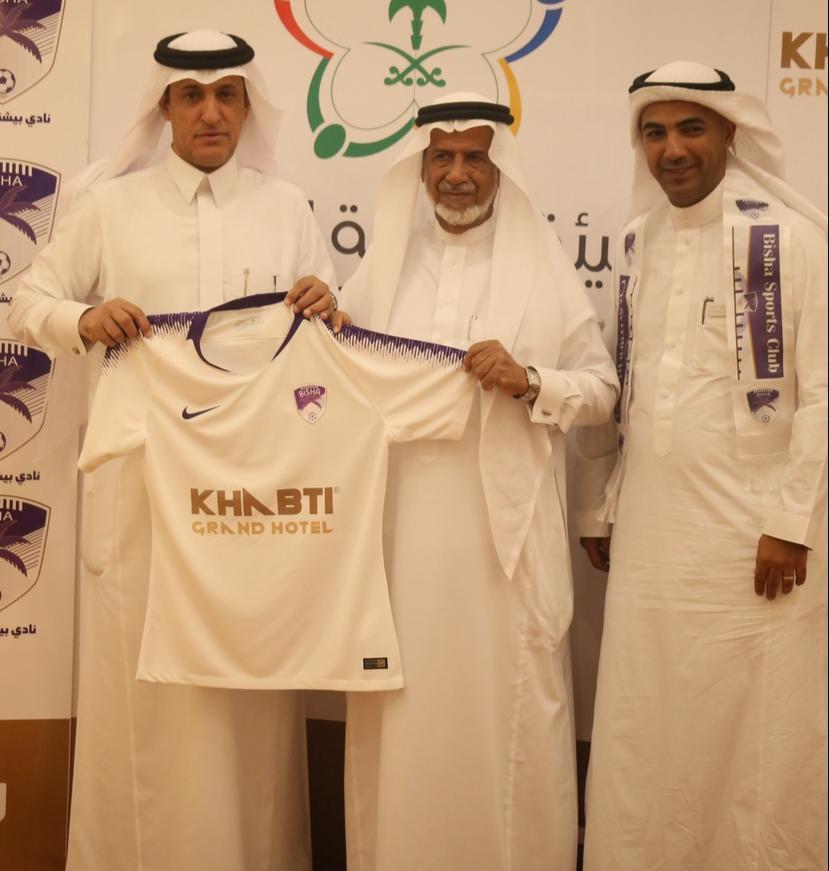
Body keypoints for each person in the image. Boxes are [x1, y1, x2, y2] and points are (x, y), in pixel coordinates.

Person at [9, 30, 339, 871]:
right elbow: (28, 301)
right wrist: (83, 318)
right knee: (142, 700)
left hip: (252, 500)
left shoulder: (287, 208)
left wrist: (327, 302)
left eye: (227, 94)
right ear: (164, 107)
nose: (210, 112)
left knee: (248, 694)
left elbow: (328, 339)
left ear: (247, 107)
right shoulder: (109, 207)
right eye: (191, 95)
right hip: (141, 494)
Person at [341, 93, 619, 871]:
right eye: (442, 157)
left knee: (506, 714)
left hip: (505, 547)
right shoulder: (382, 269)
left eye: (474, 157)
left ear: (500, 167)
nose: (456, 173)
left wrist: (530, 378)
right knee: (401, 716)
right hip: (397, 542)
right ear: (420, 166)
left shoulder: (541, 267)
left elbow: (600, 391)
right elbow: (329, 384)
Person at [576, 61, 828, 871]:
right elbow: (632, 387)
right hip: (651, 537)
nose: (672, 150)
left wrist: (789, 523)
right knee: (645, 720)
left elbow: (821, 395)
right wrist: (602, 502)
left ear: (728, 131)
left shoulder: (788, 240)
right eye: (653, 133)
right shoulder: (639, 239)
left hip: (752, 540)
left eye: (690, 128)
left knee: (749, 731)